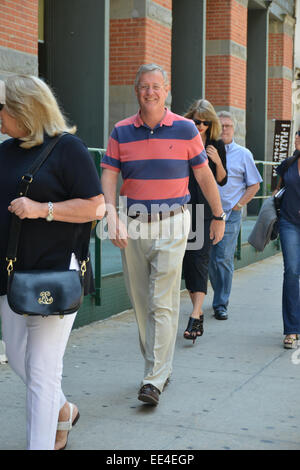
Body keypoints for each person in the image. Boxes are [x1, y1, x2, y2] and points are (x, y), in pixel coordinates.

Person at [101, 63, 226, 406]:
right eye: (144, 86)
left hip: (174, 219)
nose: (150, 92)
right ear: (136, 90)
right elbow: (110, 176)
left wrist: (218, 214)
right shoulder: (121, 131)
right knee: (142, 301)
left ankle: (154, 378)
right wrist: (111, 215)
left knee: (162, 297)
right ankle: (159, 366)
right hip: (134, 219)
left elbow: (203, 177)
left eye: (156, 86)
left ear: (166, 90)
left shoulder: (186, 129)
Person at [0, 75, 105, 450]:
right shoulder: (6, 150)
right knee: (16, 358)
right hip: (12, 275)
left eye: (3, 108)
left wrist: (42, 209)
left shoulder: (68, 149)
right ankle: (63, 409)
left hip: (54, 273)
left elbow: (96, 206)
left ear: (24, 110)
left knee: (43, 371)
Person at [208, 111, 262, 320]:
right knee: (211, 259)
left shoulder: (243, 154)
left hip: (229, 214)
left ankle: (221, 303)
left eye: (228, 126)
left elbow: (255, 185)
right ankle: (218, 295)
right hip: (206, 214)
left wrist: (239, 205)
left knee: (222, 257)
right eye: (220, 125)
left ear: (234, 130)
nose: (224, 129)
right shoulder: (207, 149)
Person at [182, 99, 227, 343]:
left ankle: (195, 313)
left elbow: (222, 180)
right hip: (182, 208)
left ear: (211, 124)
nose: (200, 126)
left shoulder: (216, 144)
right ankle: (197, 313)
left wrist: (217, 161)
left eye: (205, 122)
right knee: (188, 263)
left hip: (206, 211)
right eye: (196, 121)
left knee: (200, 260)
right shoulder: (182, 141)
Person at [275, 130, 300, 348]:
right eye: (298, 136)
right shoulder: (288, 163)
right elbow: (278, 189)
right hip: (289, 223)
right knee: (291, 271)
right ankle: (291, 329)